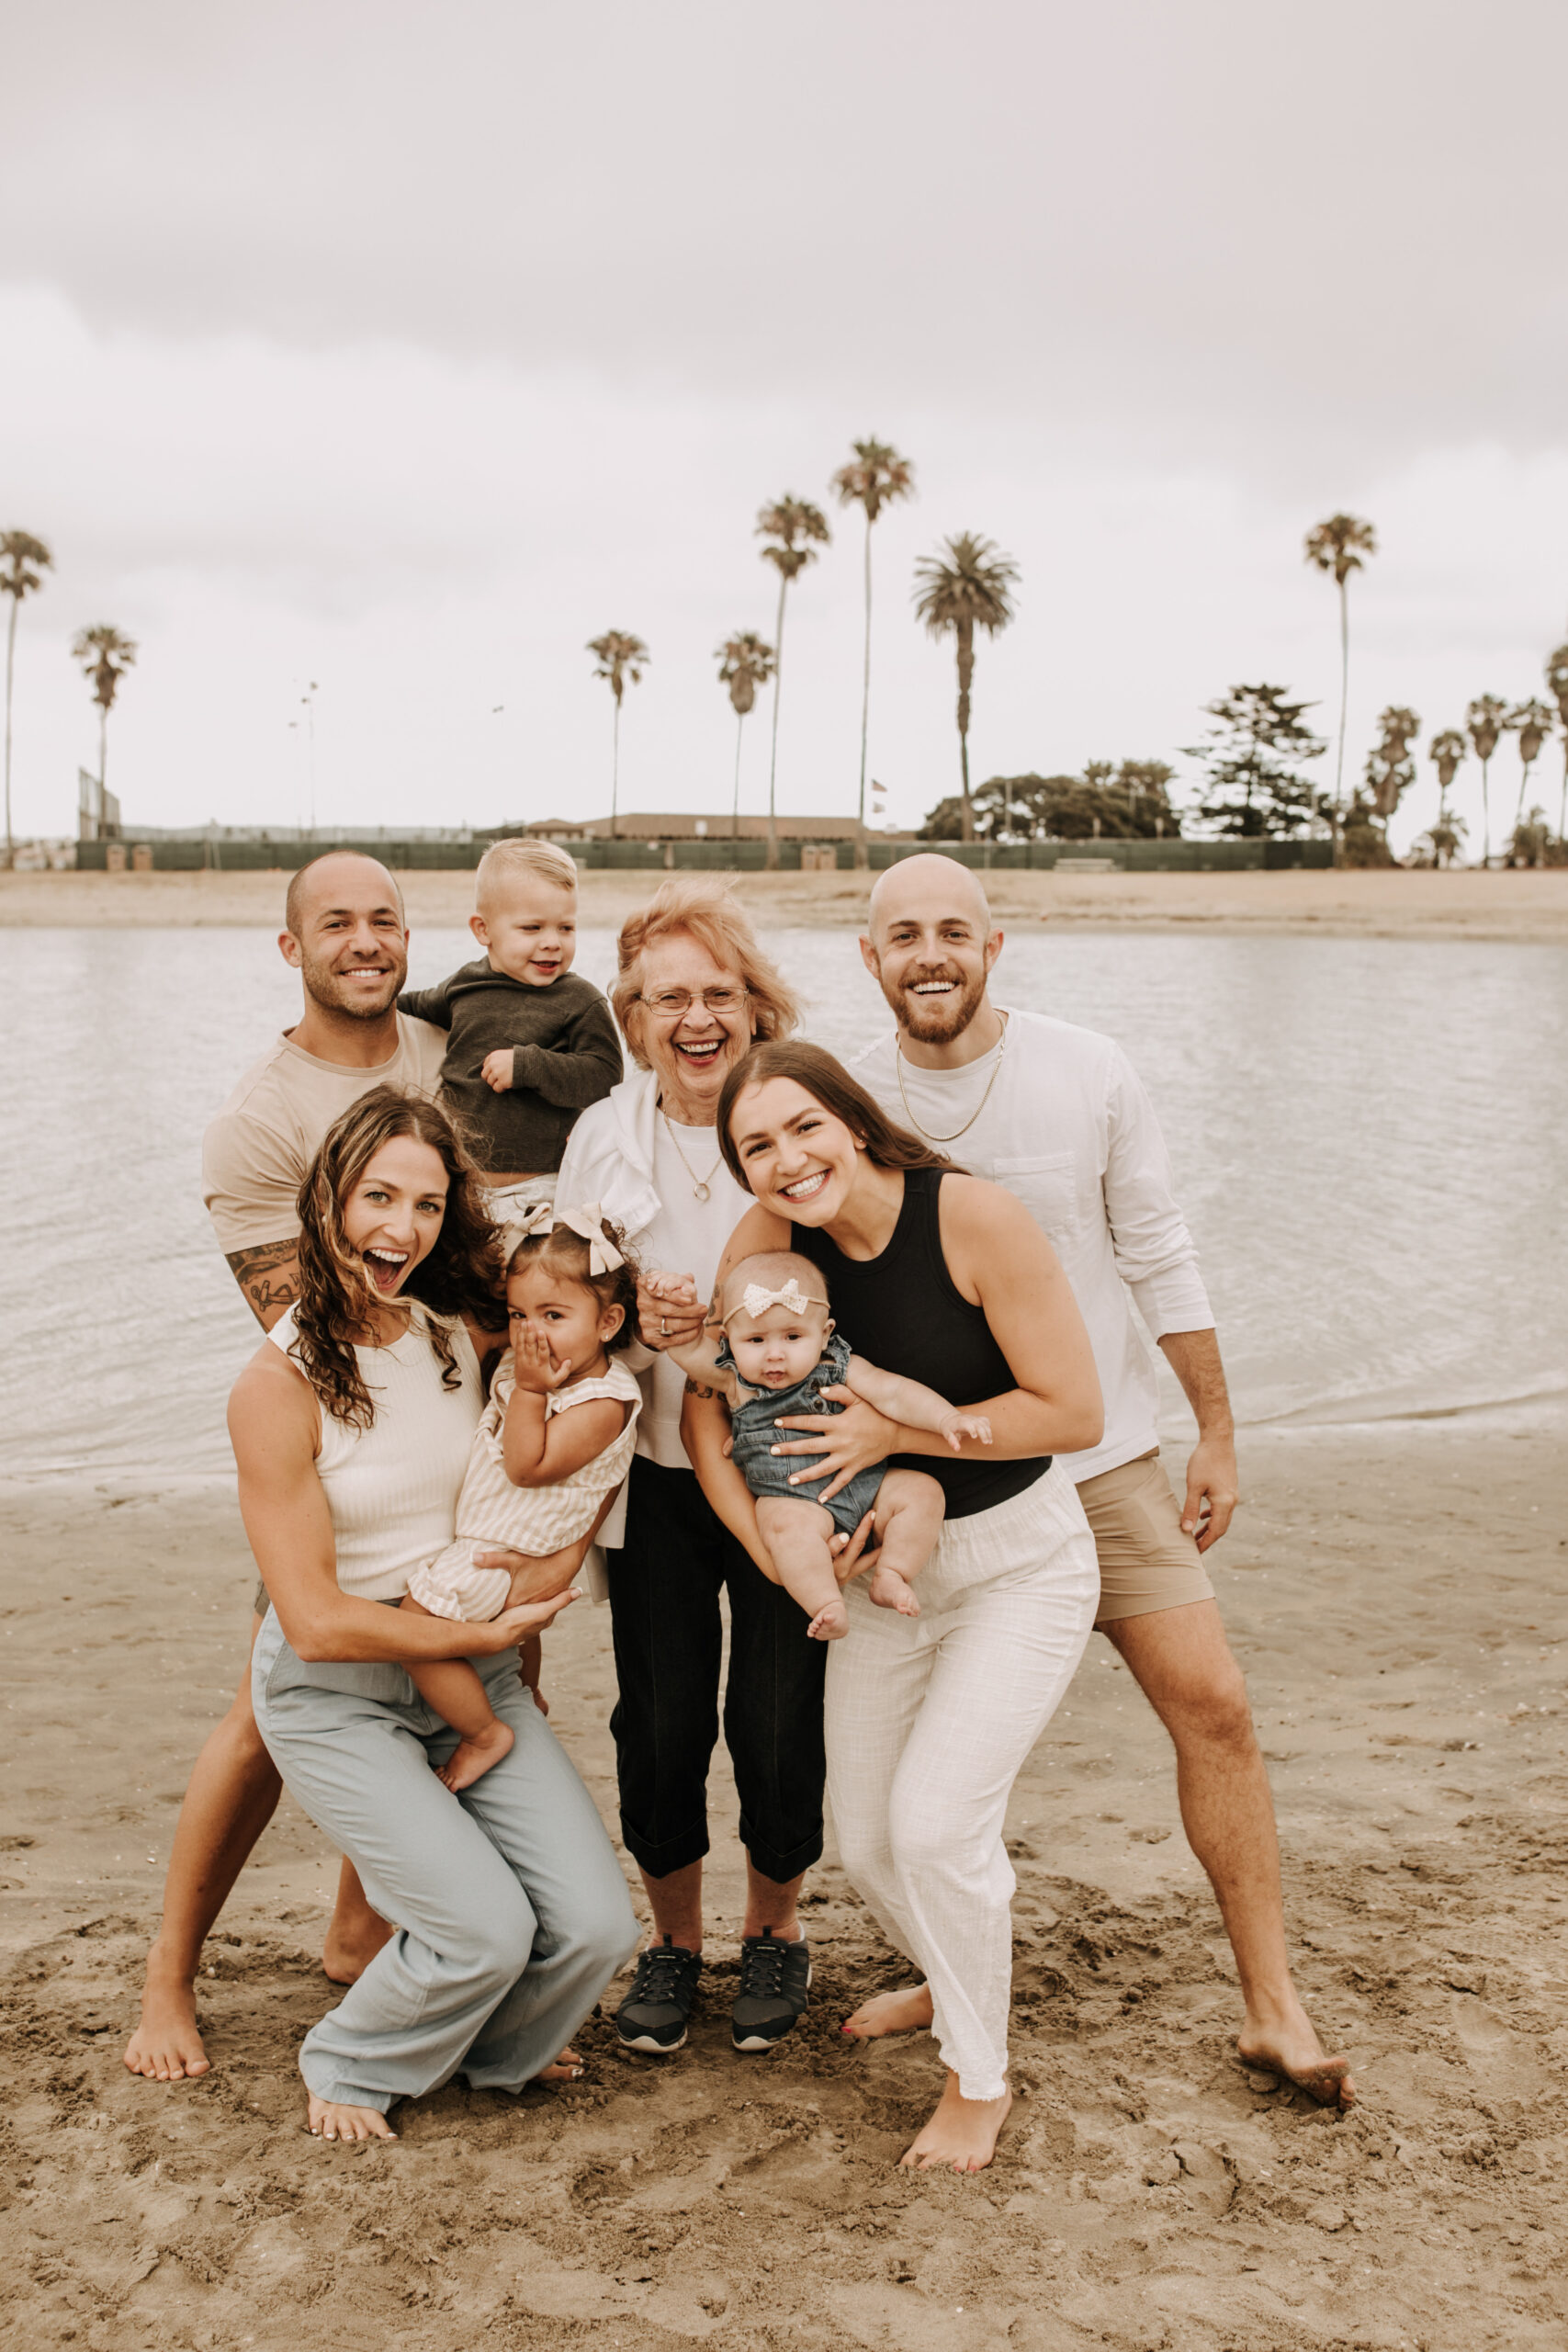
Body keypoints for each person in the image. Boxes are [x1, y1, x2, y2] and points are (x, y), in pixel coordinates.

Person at [845, 852, 1355, 2108]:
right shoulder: (844, 1101)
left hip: (1102, 1460)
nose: (928, 953)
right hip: (937, 1485)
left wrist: (1215, 1430)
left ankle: (1270, 2004)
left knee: (1212, 1705)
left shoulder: (1086, 1071)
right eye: (901, 933)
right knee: (914, 1777)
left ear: (993, 945)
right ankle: (940, 1968)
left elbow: (1156, 1252)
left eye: (951, 931)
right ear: (869, 959)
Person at [125, 853, 586, 2085]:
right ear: (293, 949)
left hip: (464, 1420)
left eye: (386, 919)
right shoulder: (262, 1115)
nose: (366, 941)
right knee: (269, 1707)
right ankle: (168, 1976)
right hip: (347, 1447)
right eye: (336, 923)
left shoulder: (447, 1044)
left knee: (485, 1665)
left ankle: (361, 1924)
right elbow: (305, 1319)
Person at [688, 1038, 1104, 2174]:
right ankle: (949, 1973)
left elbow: (1074, 1410)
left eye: (803, 1127)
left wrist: (892, 1431)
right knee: (868, 1841)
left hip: (1017, 1563)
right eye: (755, 1146)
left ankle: (981, 2077)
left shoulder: (971, 1218)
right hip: (883, 1582)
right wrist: (766, 1549)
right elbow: (700, 1407)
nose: (786, 1159)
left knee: (936, 1826)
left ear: (855, 1120)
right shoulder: (768, 1250)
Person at [239, 1084, 638, 2143]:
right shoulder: (275, 1386)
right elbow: (317, 1621)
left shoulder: (454, 1334)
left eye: (424, 1205)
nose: (400, 1229)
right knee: (482, 1930)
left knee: (595, 1930)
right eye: (377, 1196)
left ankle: (497, 2058)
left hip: (474, 1670)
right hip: (341, 1691)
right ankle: (349, 2060)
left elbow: (584, 1336)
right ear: (326, 1196)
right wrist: (474, 1635)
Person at [554, 877, 836, 2059]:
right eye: (668, 996)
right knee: (661, 1723)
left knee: (776, 1720)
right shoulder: (601, 1136)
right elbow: (566, 1303)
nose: (696, 1017)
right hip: (655, 1476)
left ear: (755, 1000)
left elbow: (850, 1274)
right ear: (632, 1013)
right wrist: (629, 1320)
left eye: (719, 991)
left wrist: (729, 1337)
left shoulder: (797, 1120)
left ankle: (774, 1932)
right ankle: (673, 1943)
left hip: (783, 1469)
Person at [400, 1206, 642, 1791]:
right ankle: (525, 1694)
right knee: (521, 1640)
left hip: (506, 1551)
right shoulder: (532, 1362)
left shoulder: (603, 1400)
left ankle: (485, 1733)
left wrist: (531, 1391)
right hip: (497, 1538)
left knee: (416, 1631)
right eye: (518, 1314)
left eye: (554, 1314)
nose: (531, 1331)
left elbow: (527, 1466)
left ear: (608, 1322)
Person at [648, 1249, 990, 1635]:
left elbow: (893, 1391)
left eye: (793, 1336)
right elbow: (689, 1347)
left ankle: (893, 1572)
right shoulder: (734, 1382)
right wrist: (670, 1302)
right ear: (728, 1342)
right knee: (783, 1531)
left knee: (923, 1492)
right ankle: (826, 1603)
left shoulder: (838, 1366)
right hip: (794, 1501)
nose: (775, 1355)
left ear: (825, 1333)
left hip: (867, 1486)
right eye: (756, 1340)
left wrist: (946, 1417)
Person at [397, 837, 621, 1226]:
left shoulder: (580, 1000)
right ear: (483, 929)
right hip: (459, 1185)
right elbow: (411, 1005)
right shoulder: (465, 985)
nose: (552, 942)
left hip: (542, 1189)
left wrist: (529, 1067)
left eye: (566, 928)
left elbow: (606, 1076)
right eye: (532, 928)